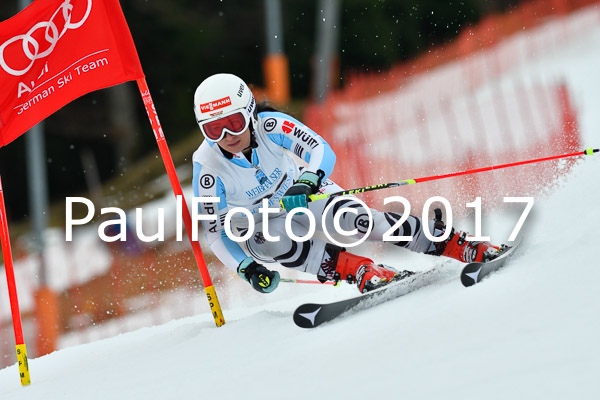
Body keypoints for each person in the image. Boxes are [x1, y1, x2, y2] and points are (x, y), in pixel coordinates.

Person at [191, 73, 502, 294]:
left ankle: (457, 244)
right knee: (269, 239)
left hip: (302, 196)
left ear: (249, 112)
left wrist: (309, 181)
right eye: (213, 129)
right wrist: (246, 268)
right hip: (264, 224)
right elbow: (216, 233)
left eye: (233, 123)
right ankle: (360, 269)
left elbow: (319, 150)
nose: (226, 137)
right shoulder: (208, 168)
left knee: (357, 221)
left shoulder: (270, 125)